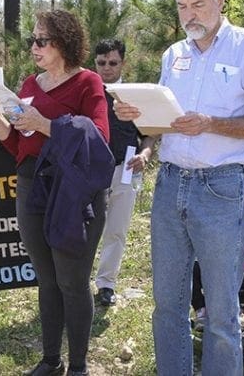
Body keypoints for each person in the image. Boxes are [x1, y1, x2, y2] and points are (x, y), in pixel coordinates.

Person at [114, 0, 244, 375]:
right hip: (171, 185)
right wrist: (136, 116)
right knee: (167, 303)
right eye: (182, 6)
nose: (190, 15)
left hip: (221, 187)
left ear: (221, 2)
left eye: (199, 5)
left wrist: (211, 123)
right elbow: (162, 124)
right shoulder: (174, 54)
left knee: (221, 310)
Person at [0, 9, 113, 376]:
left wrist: (45, 124)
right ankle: (51, 360)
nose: (34, 47)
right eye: (32, 40)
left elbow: (98, 139)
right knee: (47, 279)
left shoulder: (88, 83)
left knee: (72, 281)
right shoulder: (27, 85)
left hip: (72, 193)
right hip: (31, 187)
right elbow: (15, 145)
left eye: (41, 40)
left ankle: (79, 367)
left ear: (64, 43)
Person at [93, 39, 156, 307]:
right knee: (84, 229)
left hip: (125, 169)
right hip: (89, 171)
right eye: (101, 63)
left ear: (123, 63)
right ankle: (75, 284)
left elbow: (151, 134)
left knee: (116, 230)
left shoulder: (134, 94)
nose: (107, 68)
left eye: (113, 63)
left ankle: (106, 284)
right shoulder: (87, 91)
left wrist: (145, 154)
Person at [191, 179, 244, 327]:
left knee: (223, 277)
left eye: (243, 198)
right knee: (193, 268)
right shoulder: (232, 217)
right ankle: (202, 309)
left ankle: (226, 315)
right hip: (226, 262)